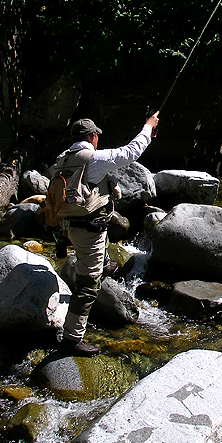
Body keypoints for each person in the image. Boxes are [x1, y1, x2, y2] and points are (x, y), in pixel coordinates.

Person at [53, 112, 159, 357]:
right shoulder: (94, 158)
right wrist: (147, 127)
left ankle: (105, 263)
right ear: (92, 137)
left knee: (103, 230)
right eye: (96, 136)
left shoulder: (63, 159)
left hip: (68, 226)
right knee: (87, 287)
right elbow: (130, 152)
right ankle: (71, 339)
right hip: (89, 231)